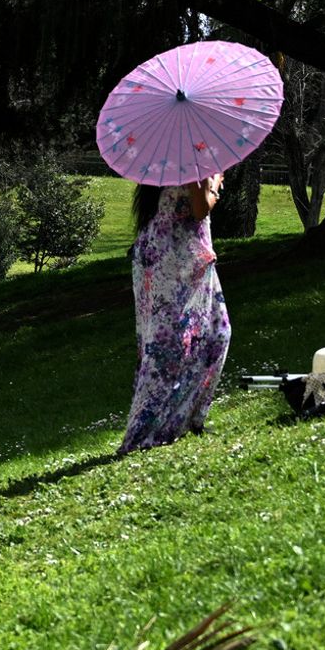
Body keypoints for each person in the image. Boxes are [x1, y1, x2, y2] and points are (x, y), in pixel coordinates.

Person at [119, 174, 231, 453]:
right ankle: (142, 434)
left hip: (182, 257)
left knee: (218, 333)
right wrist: (215, 184)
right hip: (172, 262)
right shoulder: (191, 158)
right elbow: (200, 209)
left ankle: (186, 418)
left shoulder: (179, 156)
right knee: (165, 351)